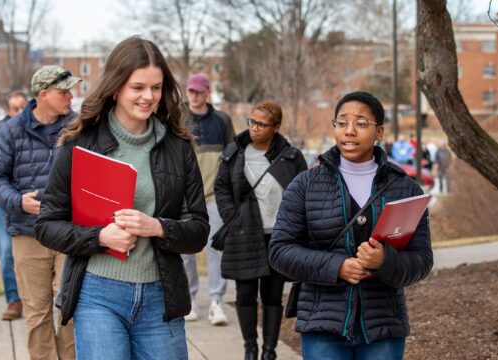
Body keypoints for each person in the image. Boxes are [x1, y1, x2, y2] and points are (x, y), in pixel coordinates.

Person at [34, 36, 209, 360]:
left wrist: (158, 227)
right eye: (138, 87)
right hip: (98, 295)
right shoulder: (80, 143)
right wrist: (100, 237)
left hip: (160, 296)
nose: (148, 97)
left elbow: (199, 229)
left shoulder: (178, 146)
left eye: (156, 88)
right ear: (116, 87)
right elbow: (47, 225)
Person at [269, 91, 433, 359]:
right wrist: (337, 267)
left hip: (383, 327)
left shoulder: (405, 188)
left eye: (361, 123)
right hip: (323, 324)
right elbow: (280, 251)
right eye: (342, 122)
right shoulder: (306, 185)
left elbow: (422, 260)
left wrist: (384, 260)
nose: (350, 131)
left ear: (379, 131)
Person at [0, 65, 80, 359]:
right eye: (63, 92)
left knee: (70, 310)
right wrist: (17, 201)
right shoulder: (10, 131)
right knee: (37, 314)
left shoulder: (80, 127)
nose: (70, 97)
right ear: (43, 94)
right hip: (27, 234)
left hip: (69, 233)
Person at [214, 101, 307, 359]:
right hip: (243, 233)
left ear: (276, 127)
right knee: (244, 294)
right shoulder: (234, 152)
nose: (254, 128)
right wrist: (231, 216)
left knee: (272, 295)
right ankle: (250, 348)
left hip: (278, 236)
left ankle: (269, 351)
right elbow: (221, 187)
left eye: (261, 124)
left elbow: (303, 193)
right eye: (251, 122)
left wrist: (294, 225)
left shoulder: (291, 157)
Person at [181, 73, 234, 325]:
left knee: (216, 249)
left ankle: (216, 301)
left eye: (199, 91)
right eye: (191, 91)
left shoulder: (222, 120)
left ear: (208, 92)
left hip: (214, 196)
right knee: (184, 252)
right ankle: (188, 300)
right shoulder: (177, 118)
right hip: (183, 198)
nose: (194, 95)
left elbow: (233, 156)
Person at [0, 91, 27, 320]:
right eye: (15, 108)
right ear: (7, 111)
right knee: (6, 252)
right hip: (6, 203)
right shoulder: (0, 134)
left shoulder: (37, 130)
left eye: (23, 107)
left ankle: (34, 297)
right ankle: (13, 300)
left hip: (30, 200)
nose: (20, 112)